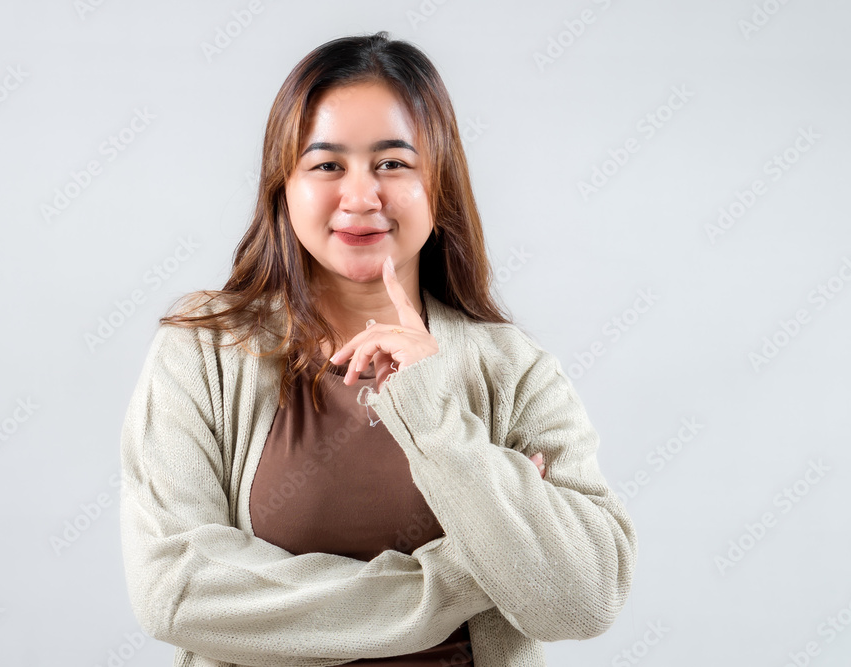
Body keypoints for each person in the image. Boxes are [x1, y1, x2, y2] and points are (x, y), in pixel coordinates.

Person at [119, 30, 637, 667]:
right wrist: (471, 573)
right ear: (284, 186)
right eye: (327, 165)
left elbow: (584, 600)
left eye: (393, 163)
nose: (361, 198)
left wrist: (435, 415)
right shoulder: (203, 353)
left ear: (439, 183)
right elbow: (175, 590)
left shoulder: (515, 370)